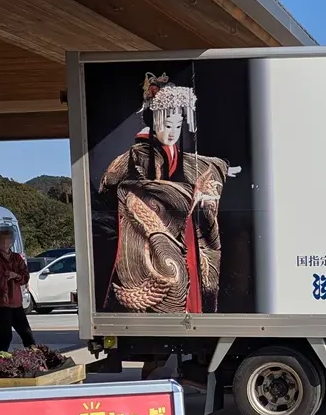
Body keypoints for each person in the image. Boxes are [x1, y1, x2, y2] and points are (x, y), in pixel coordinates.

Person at [98, 72, 241, 315]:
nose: (173, 132)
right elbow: (136, 187)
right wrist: (191, 193)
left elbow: (196, 163)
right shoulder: (139, 154)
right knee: (168, 269)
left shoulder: (175, 153)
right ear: (153, 123)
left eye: (177, 125)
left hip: (181, 227)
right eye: (167, 125)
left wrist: (220, 167)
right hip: (150, 230)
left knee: (193, 265)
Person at [0, 224, 35, 353]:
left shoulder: (17, 258)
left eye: (8, 240)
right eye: (1, 240)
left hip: (16, 302)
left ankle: (37, 359)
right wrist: (9, 274)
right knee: (5, 336)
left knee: (27, 334)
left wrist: (15, 275)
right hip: (0, 303)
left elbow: (25, 276)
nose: (5, 243)